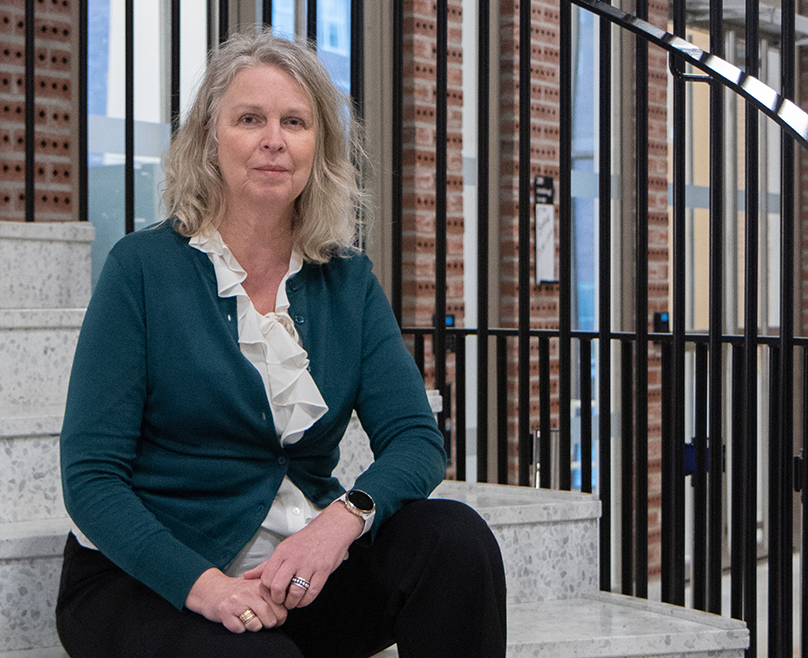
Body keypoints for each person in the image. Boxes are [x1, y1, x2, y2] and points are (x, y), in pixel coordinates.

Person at [56, 29, 506, 658]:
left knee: (456, 540)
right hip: (153, 583)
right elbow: (91, 477)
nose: (273, 140)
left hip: (294, 579)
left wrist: (342, 520)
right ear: (211, 138)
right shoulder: (142, 268)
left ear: (317, 145)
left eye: (294, 121)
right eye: (249, 119)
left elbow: (415, 438)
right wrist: (207, 587)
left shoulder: (346, 279)